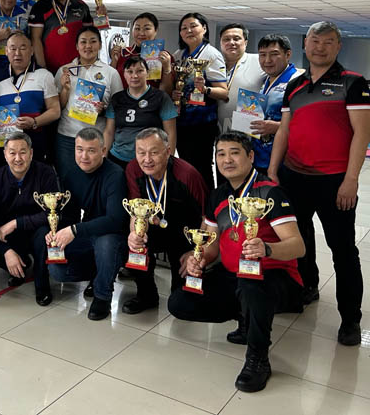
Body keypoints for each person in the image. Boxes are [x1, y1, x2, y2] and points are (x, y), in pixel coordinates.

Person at [168, 132, 305, 393]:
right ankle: (245, 316)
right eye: (221, 154)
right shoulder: (217, 196)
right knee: (179, 302)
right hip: (234, 273)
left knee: (251, 286)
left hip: (273, 276)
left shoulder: (270, 192)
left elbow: (298, 246)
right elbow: (211, 244)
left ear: (251, 156)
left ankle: (258, 358)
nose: (227, 160)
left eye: (234, 153)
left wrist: (266, 249)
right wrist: (200, 259)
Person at [269, 21, 370, 345]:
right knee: (300, 239)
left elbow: (362, 134)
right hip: (294, 176)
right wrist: (273, 170)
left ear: (338, 46)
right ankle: (307, 287)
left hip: (334, 181)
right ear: (305, 45)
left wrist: (351, 180)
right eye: (315, 41)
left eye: (328, 42)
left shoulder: (353, 82)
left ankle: (350, 319)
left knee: (343, 250)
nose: (320, 47)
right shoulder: (295, 85)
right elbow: (284, 130)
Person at [38, 127, 128, 320]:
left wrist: (74, 230)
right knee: (57, 268)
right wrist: (57, 233)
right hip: (88, 234)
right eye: (79, 149)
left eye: (91, 150)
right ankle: (99, 273)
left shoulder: (116, 175)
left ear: (103, 151)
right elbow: (70, 218)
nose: (84, 156)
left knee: (105, 243)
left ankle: (102, 295)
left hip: (114, 237)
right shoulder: (71, 175)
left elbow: (115, 220)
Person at [121, 128, 208, 314]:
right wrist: (134, 233)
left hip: (185, 235)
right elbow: (135, 212)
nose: (147, 159)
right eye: (141, 152)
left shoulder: (188, 174)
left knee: (181, 302)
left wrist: (197, 251)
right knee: (130, 244)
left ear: (168, 152)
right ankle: (146, 295)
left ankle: (185, 287)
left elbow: (207, 219)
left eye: (154, 152)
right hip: (152, 228)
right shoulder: (133, 169)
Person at [0, 132, 59, 304]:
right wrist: (7, 251)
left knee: (44, 236)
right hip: (10, 235)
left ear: (31, 153)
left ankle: (42, 285)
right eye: (12, 153)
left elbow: (52, 214)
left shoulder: (46, 173)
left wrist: (17, 223)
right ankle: (20, 267)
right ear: (5, 154)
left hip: (36, 229)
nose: (18, 158)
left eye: (23, 152)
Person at [55, 26, 122, 183]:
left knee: (94, 182)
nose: (88, 46)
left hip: (97, 137)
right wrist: (65, 90)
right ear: (77, 46)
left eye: (93, 41)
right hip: (68, 136)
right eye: (83, 42)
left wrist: (103, 110)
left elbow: (118, 107)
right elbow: (57, 107)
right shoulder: (64, 70)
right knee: (67, 181)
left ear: (100, 45)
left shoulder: (110, 73)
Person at [172, 12, 228, 188]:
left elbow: (223, 92)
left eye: (193, 26)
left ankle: (206, 203)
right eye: (184, 28)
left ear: (204, 29)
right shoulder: (179, 54)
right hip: (181, 121)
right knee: (185, 166)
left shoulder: (211, 54)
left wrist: (205, 89)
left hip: (202, 123)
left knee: (201, 168)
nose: (188, 30)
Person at [0, 31, 60, 164]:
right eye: (13, 48)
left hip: (35, 142)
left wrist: (34, 122)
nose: (17, 53)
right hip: (4, 144)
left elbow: (55, 111)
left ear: (32, 50)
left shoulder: (44, 75)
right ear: (6, 51)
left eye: (23, 48)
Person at [104, 55, 177, 170]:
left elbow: (170, 133)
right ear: (124, 74)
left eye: (140, 71)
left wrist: (169, 160)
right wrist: (103, 157)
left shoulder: (160, 97)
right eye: (130, 71)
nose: (134, 76)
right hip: (118, 158)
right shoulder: (116, 99)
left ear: (147, 73)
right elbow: (109, 131)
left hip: (149, 160)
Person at [250, 34, 301, 174]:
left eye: (274, 54)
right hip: (260, 157)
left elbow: (308, 124)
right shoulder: (264, 81)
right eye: (262, 55)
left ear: (288, 54)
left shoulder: (297, 81)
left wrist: (278, 127)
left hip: (285, 161)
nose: (267, 60)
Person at [28, 0, 94, 73]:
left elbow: (91, 36)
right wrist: (42, 69)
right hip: (50, 68)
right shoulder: (40, 7)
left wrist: (102, 17)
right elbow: (36, 39)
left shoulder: (81, 6)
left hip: (78, 67)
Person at [217, 23, 265, 133]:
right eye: (226, 39)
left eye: (236, 38)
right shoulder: (215, 64)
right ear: (221, 43)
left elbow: (288, 72)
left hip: (248, 129)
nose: (231, 43)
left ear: (246, 42)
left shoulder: (258, 61)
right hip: (218, 129)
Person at [110, 12, 174, 94]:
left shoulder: (165, 57)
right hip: (123, 100)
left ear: (155, 30)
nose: (141, 33)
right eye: (137, 28)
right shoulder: (123, 53)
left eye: (147, 29)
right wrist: (114, 61)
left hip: (152, 101)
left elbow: (167, 92)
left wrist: (167, 68)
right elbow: (110, 82)